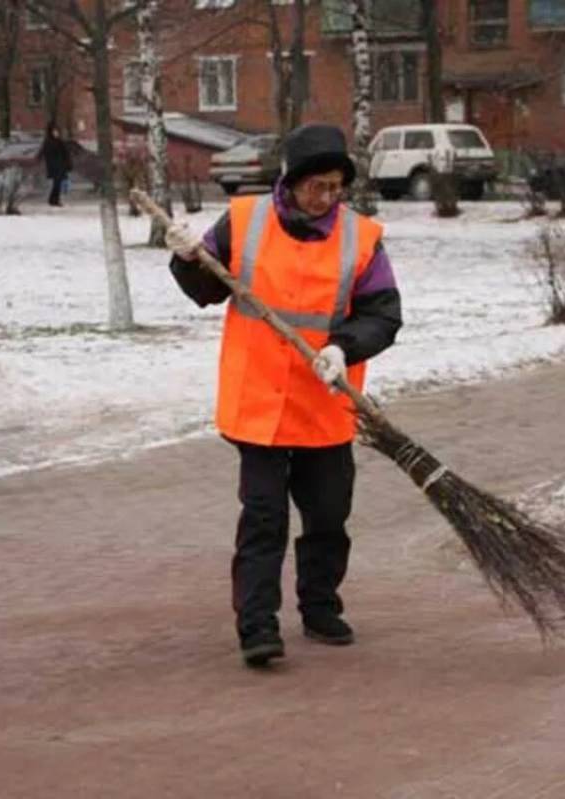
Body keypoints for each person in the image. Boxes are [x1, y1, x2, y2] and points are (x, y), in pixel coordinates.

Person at [165, 124, 402, 668]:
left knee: (327, 516)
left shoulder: (360, 237)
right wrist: (186, 259)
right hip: (261, 404)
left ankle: (320, 608)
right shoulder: (245, 221)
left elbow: (384, 315)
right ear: (289, 183)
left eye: (335, 187)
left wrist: (345, 347)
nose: (326, 197)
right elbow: (208, 289)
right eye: (316, 186)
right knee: (264, 517)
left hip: (325, 403)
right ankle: (257, 627)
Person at [38, 124, 72, 207]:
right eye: (54, 131)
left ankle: (54, 199)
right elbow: (44, 153)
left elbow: (65, 153)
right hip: (54, 166)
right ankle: (54, 199)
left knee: (58, 183)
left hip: (61, 165)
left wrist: (67, 163)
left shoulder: (59, 141)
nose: (56, 133)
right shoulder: (49, 142)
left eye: (57, 131)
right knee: (57, 183)